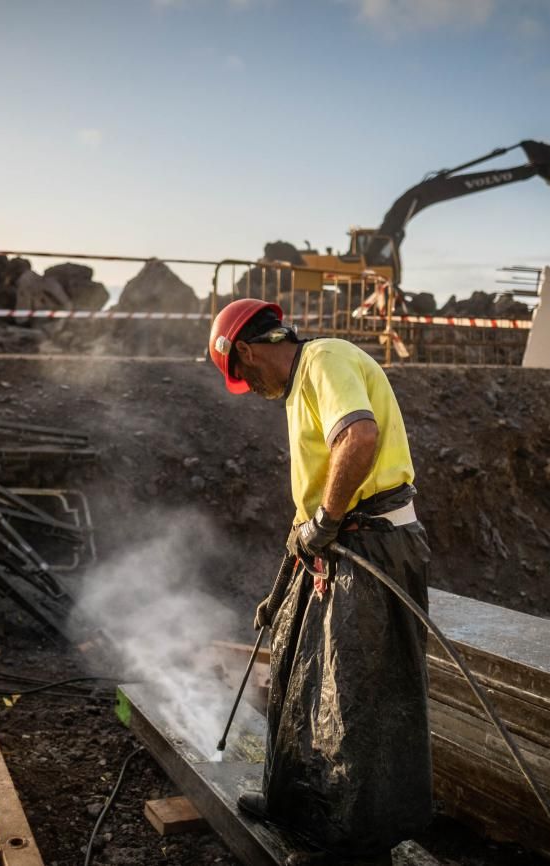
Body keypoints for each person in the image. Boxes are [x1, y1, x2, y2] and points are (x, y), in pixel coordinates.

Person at [207, 298, 433, 865]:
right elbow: (311, 505)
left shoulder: (325, 359)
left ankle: (352, 842)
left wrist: (328, 523)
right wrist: (281, 592)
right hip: (344, 542)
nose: (249, 385)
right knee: (293, 665)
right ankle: (294, 806)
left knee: (352, 694)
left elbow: (357, 440)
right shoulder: (302, 383)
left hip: (371, 543)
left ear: (248, 349)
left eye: (243, 372)